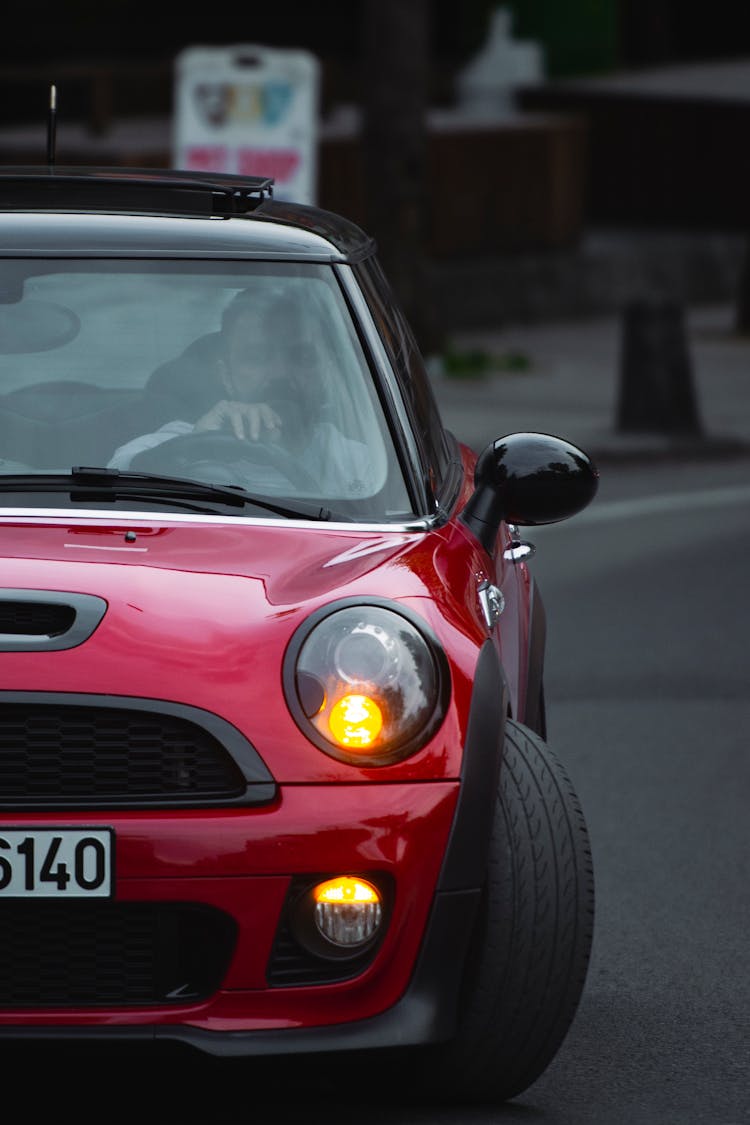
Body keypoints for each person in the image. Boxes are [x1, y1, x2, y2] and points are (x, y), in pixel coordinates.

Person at [108, 287, 373, 496]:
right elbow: (111, 484)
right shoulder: (178, 440)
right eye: (257, 357)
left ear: (325, 370)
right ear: (226, 375)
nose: (280, 372)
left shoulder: (359, 466)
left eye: (301, 356)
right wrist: (193, 449)